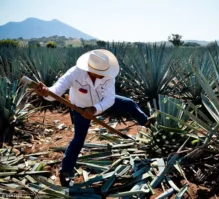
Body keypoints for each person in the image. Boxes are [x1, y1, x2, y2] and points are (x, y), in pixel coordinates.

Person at [35, 49, 155, 186]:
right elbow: (55, 92)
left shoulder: (108, 75)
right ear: (88, 68)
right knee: (78, 140)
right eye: (98, 73)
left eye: (103, 73)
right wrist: (45, 92)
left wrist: (94, 109)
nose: (101, 76)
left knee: (129, 103)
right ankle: (65, 172)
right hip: (80, 109)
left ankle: (146, 122)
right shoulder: (75, 73)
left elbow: (110, 99)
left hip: (100, 103)